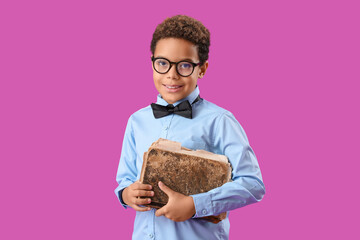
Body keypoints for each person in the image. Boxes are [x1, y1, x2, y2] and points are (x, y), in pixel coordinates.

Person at [114, 15, 265, 240]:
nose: (171, 74)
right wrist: (127, 194)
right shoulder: (137, 121)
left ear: (201, 69)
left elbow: (252, 184)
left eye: (184, 65)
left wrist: (195, 205)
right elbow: (124, 179)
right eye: (163, 63)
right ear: (152, 62)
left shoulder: (220, 121)